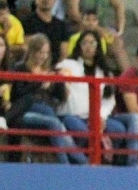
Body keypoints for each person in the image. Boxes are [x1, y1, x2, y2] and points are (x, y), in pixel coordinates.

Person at [7, 32, 87, 163]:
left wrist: (58, 82)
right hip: (26, 112)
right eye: (40, 52)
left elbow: (60, 97)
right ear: (32, 51)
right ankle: (74, 164)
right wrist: (39, 84)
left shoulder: (50, 69)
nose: (43, 56)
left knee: (79, 129)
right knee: (53, 122)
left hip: (50, 110)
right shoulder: (19, 68)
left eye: (46, 53)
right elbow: (18, 95)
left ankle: (79, 162)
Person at [55, 28, 129, 161]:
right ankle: (82, 162)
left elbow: (109, 100)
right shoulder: (68, 65)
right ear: (79, 46)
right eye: (85, 43)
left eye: (92, 43)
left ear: (98, 46)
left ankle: (105, 162)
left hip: (95, 117)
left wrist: (101, 117)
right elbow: (60, 82)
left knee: (119, 130)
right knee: (84, 133)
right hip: (71, 115)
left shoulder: (105, 71)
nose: (89, 47)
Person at [65, 6, 128, 73]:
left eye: (94, 20)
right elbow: (71, 55)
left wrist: (102, 31)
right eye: (87, 19)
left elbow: (113, 40)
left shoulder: (101, 37)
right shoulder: (75, 37)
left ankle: (128, 77)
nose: (91, 23)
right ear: (81, 21)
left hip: (98, 64)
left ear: (98, 22)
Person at [22, 0, 69, 66]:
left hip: (55, 69)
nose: (46, 0)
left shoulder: (61, 25)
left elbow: (64, 54)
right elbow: (28, 49)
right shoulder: (27, 22)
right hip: (33, 68)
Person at [0, 0, 25, 65]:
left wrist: (5, 49)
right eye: (0, 14)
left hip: (12, 58)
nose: (2, 17)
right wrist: (5, 32)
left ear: (8, 12)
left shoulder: (16, 23)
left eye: (4, 14)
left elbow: (21, 47)